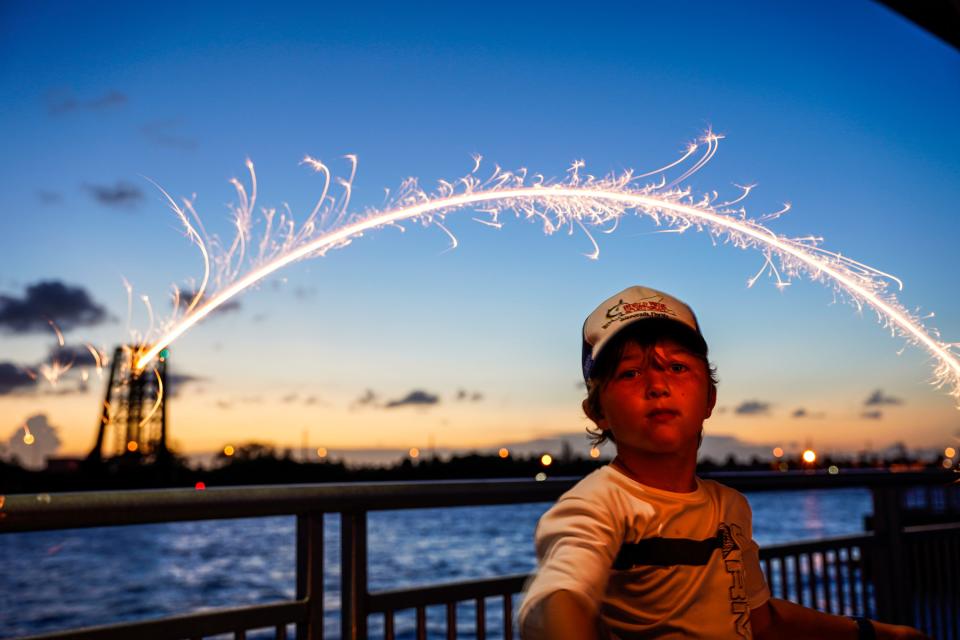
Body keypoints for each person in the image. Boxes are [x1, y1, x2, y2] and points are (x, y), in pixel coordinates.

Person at [517, 285, 927, 639]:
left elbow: (758, 622)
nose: (658, 385)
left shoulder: (729, 507)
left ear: (709, 399)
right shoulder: (597, 506)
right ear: (597, 412)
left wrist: (874, 632)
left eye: (677, 367)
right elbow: (557, 598)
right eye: (629, 374)